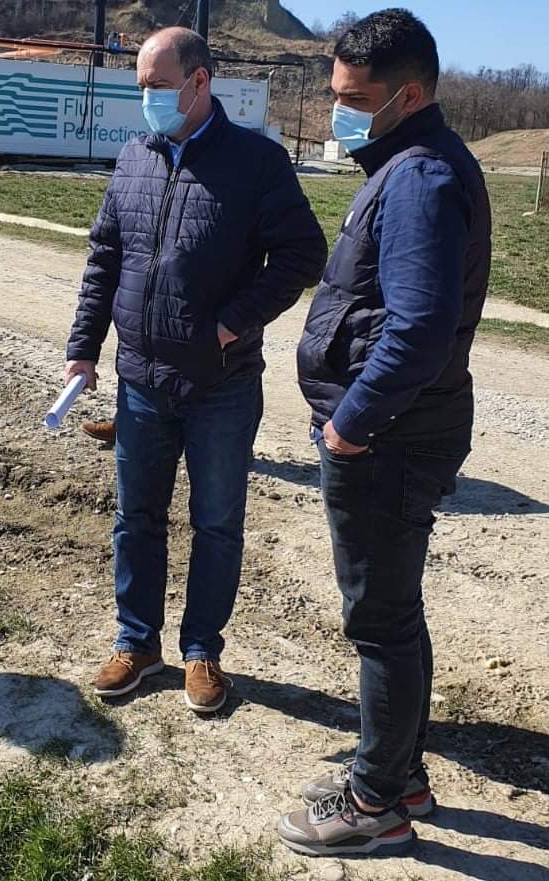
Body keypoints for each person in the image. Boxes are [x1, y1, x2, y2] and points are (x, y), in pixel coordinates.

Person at [65, 27, 327, 712]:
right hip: (142, 381)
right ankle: (136, 643)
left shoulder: (256, 162)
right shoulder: (134, 158)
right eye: (141, 86)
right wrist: (83, 348)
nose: (146, 97)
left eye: (157, 85)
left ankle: (202, 651)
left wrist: (231, 321)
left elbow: (302, 253)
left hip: (221, 385)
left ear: (199, 81)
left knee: (215, 523)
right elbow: (103, 258)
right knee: (136, 518)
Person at [280, 9, 492, 856]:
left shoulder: (419, 179)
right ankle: (397, 774)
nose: (340, 112)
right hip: (398, 430)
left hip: (387, 437)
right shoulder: (408, 162)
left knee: (379, 623)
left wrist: (350, 425)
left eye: (355, 100)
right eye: (336, 94)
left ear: (408, 95)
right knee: (394, 613)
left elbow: (417, 329)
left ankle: (374, 805)